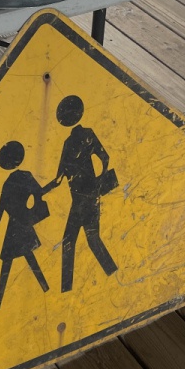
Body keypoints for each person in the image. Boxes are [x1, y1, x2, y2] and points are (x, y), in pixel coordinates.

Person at [43, 95, 118, 293]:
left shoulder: (76, 139)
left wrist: (41, 191)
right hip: (84, 199)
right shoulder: (79, 138)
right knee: (87, 240)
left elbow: (58, 179)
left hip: (83, 199)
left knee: (77, 241)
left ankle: (68, 290)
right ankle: (111, 275)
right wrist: (98, 181)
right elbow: (104, 158)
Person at [0, 141, 50, 311]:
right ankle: (46, 289)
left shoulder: (7, 184)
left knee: (10, 264)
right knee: (27, 260)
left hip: (14, 229)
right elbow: (40, 193)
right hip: (22, 226)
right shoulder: (25, 176)